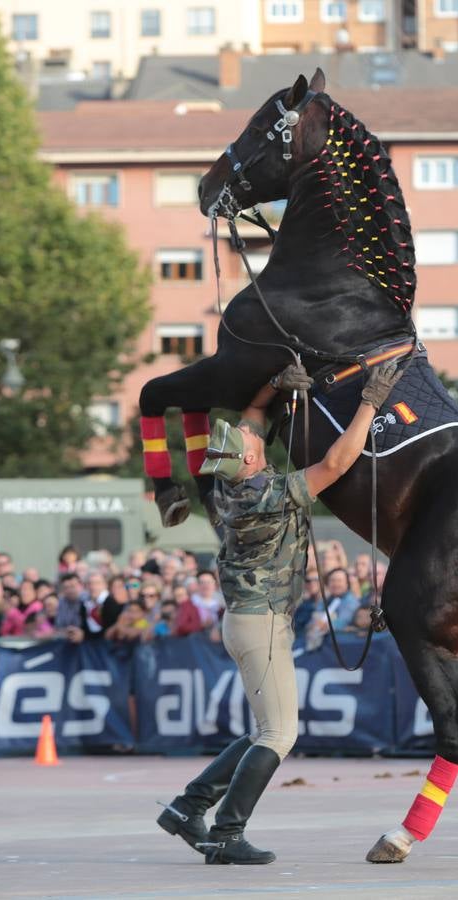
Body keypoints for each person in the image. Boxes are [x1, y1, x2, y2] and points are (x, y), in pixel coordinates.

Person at [157, 360, 401, 866]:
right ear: (247, 460)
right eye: (247, 440)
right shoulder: (260, 493)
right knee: (278, 735)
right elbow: (334, 464)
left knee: (260, 730)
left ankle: (189, 806)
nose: (250, 434)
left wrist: (269, 386)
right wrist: (370, 402)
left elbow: (250, 418)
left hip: (249, 620)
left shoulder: (226, 485)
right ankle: (226, 834)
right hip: (260, 621)